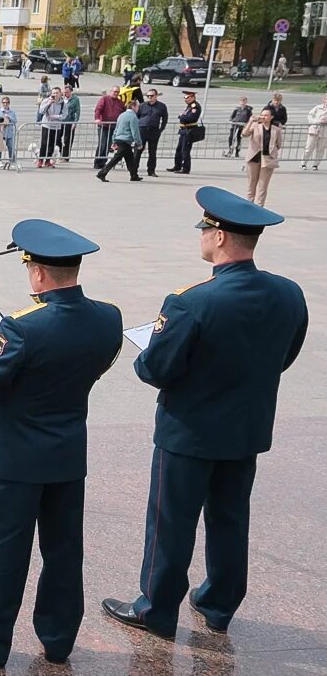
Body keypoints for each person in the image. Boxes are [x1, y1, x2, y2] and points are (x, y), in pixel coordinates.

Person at [103, 187, 307, 640]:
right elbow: (285, 355)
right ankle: (218, 603)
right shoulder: (289, 293)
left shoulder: (191, 301)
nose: (201, 238)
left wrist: (150, 353)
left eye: (205, 230)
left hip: (189, 432)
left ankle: (155, 609)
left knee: (171, 522)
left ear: (218, 238)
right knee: (230, 517)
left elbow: (155, 368)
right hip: (247, 429)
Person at [0, 220, 122, 670]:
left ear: (38, 273)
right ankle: (59, 638)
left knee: (5, 550)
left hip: (15, 458)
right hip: (66, 453)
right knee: (64, 550)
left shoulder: (22, 327)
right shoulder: (109, 317)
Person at [97, 97, 144, 182]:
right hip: (125, 141)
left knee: (130, 159)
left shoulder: (121, 115)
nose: (138, 108)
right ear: (133, 107)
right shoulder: (133, 117)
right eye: (137, 106)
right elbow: (135, 131)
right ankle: (102, 173)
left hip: (119, 139)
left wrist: (114, 140)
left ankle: (134, 175)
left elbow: (116, 129)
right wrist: (139, 143)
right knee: (116, 159)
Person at [241, 107, 282, 206]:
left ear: (271, 117)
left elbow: (279, 144)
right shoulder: (255, 126)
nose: (264, 117)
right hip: (254, 157)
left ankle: (259, 206)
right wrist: (250, 121)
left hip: (267, 159)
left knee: (263, 186)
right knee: (252, 183)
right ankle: (249, 204)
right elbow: (244, 134)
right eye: (262, 114)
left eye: (266, 115)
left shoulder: (276, 129)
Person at [167, 89, 202, 174]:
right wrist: (183, 116)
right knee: (179, 150)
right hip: (183, 131)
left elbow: (191, 118)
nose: (185, 99)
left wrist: (181, 116)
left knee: (185, 150)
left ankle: (186, 168)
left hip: (189, 131)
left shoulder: (195, 106)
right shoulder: (189, 106)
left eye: (187, 97)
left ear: (193, 97)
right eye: (185, 97)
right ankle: (177, 166)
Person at [136, 88, 169, 177]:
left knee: (152, 152)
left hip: (154, 131)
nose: (149, 97)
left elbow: (165, 119)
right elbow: (136, 117)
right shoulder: (142, 105)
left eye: (152, 96)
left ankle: (151, 170)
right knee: (138, 150)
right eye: (148, 96)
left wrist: (160, 129)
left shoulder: (162, 106)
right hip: (142, 130)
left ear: (156, 96)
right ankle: (134, 169)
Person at [92, 87, 124, 169]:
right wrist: (97, 118)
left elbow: (124, 112)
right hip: (103, 126)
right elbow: (98, 109)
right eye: (114, 91)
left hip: (113, 127)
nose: (116, 93)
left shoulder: (120, 102)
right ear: (111, 91)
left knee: (108, 145)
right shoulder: (104, 99)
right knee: (102, 144)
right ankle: (97, 162)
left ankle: (103, 162)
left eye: (117, 92)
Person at [304, 98, 327, 170]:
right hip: (315, 129)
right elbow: (310, 115)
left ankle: (316, 164)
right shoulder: (318, 108)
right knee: (309, 147)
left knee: (321, 149)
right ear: (324, 100)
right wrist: (314, 122)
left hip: (325, 131)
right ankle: (303, 163)